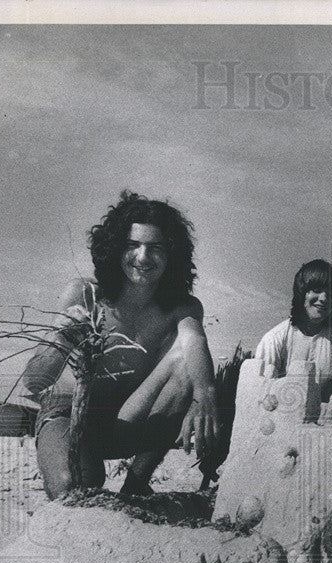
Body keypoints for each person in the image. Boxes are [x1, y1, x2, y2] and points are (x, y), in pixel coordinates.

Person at [23, 191, 219, 499]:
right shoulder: (85, 294)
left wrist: (204, 395)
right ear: (115, 249)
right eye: (132, 245)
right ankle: (82, 473)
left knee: (185, 367)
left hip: (127, 420)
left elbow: (193, 339)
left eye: (155, 248)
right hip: (69, 415)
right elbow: (36, 382)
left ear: (172, 256)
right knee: (73, 488)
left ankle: (136, 484)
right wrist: (62, 336)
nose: (143, 257)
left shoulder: (183, 307)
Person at [255, 259, 332, 415]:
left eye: (331, 294)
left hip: (327, 422)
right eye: (317, 290)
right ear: (302, 293)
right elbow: (262, 390)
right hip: (285, 419)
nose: (324, 298)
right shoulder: (274, 338)